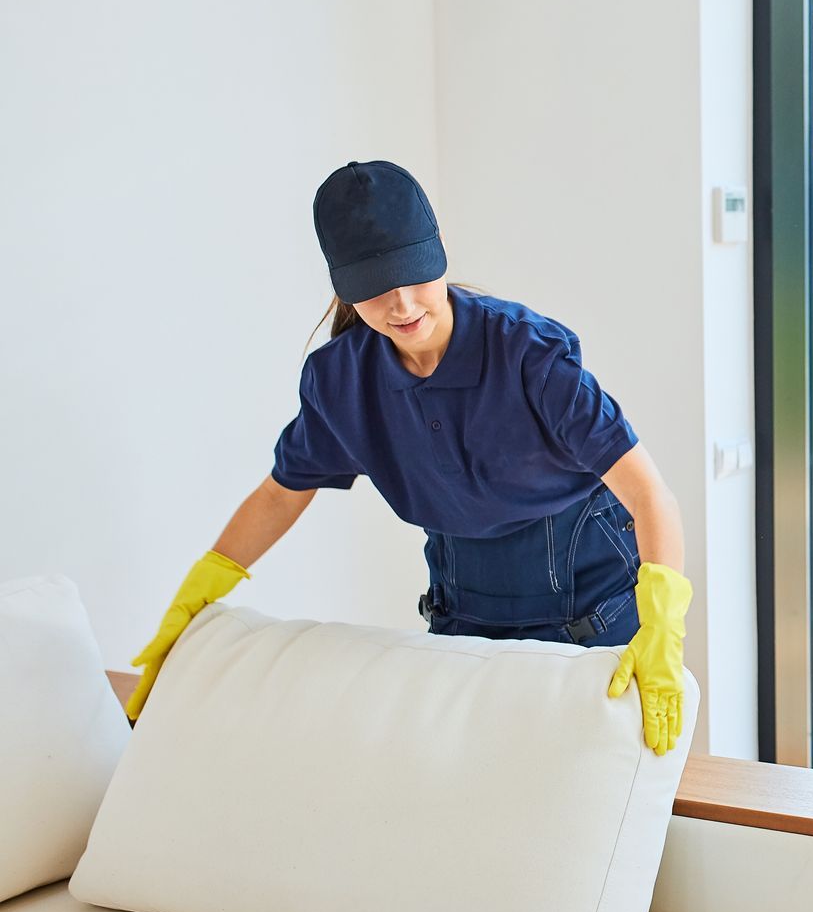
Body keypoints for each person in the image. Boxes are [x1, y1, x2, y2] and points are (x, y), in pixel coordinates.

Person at [124, 160, 691, 754]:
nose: (402, 305)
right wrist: (198, 598)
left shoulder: (528, 354)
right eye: (375, 285)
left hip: (591, 605)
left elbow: (649, 494)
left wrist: (662, 627)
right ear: (343, 287)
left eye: (413, 274)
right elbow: (280, 494)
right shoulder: (341, 382)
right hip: (464, 611)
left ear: (438, 250)